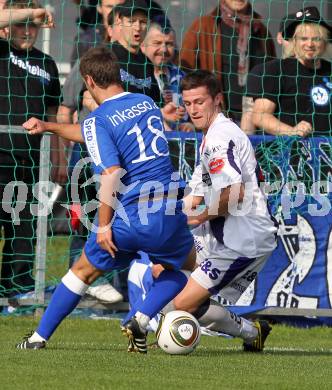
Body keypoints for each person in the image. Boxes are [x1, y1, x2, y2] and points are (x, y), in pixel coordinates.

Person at [16, 46, 195, 353]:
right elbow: (100, 133)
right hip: (167, 211)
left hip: (132, 215)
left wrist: (102, 227)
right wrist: (49, 126)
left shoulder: (97, 119)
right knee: (184, 270)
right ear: (117, 74)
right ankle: (140, 317)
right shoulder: (146, 103)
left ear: (89, 81)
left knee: (82, 272)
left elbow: (111, 174)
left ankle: (38, 338)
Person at [125, 70, 278, 352]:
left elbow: (235, 193)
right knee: (163, 267)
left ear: (217, 99)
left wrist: (197, 216)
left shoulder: (221, 137)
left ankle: (249, 332)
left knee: (183, 304)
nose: (193, 110)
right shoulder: (211, 137)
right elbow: (193, 196)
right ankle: (141, 321)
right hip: (224, 234)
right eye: (188, 103)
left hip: (242, 240)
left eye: (200, 102)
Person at [0, 1, 61, 298]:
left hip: (31, 160)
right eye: (22, 23)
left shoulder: (47, 63)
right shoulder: (2, 50)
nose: (27, 31)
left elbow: (52, 113)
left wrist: (57, 158)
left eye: (33, 25)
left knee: (23, 230)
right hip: (0, 155)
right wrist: (32, 13)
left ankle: (17, 293)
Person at [179, 0, 276, 124]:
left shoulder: (261, 30)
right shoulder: (203, 26)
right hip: (216, 118)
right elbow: (184, 72)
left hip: (255, 119)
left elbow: (272, 75)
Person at [250, 7, 332, 136]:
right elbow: (260, 116)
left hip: (327, 151)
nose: (310, 44)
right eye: (304, 38)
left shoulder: (330, 70)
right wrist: (292, 131)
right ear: (294, 41)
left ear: (325, 42)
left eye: (316, 39)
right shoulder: (275, 70)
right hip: (287, 151)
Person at [141, 16, 194, 132]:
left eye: (169, 44)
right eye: (157, 43)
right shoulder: (137, 77)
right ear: (143, 46)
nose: (164, 49)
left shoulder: (183, 77)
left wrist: (190, 125)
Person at [241, 14, 291, 134]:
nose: (295, 41)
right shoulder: (265, 70)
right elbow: (248, 112)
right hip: (274, 146)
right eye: (289, 36)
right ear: (279, 37)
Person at [70, 0, 124, 67]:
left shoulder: (136, 36)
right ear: (99, 8)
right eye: (109, 7)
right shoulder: (85, 40)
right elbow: (76, 75)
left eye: (119, 7)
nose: (114, 11)